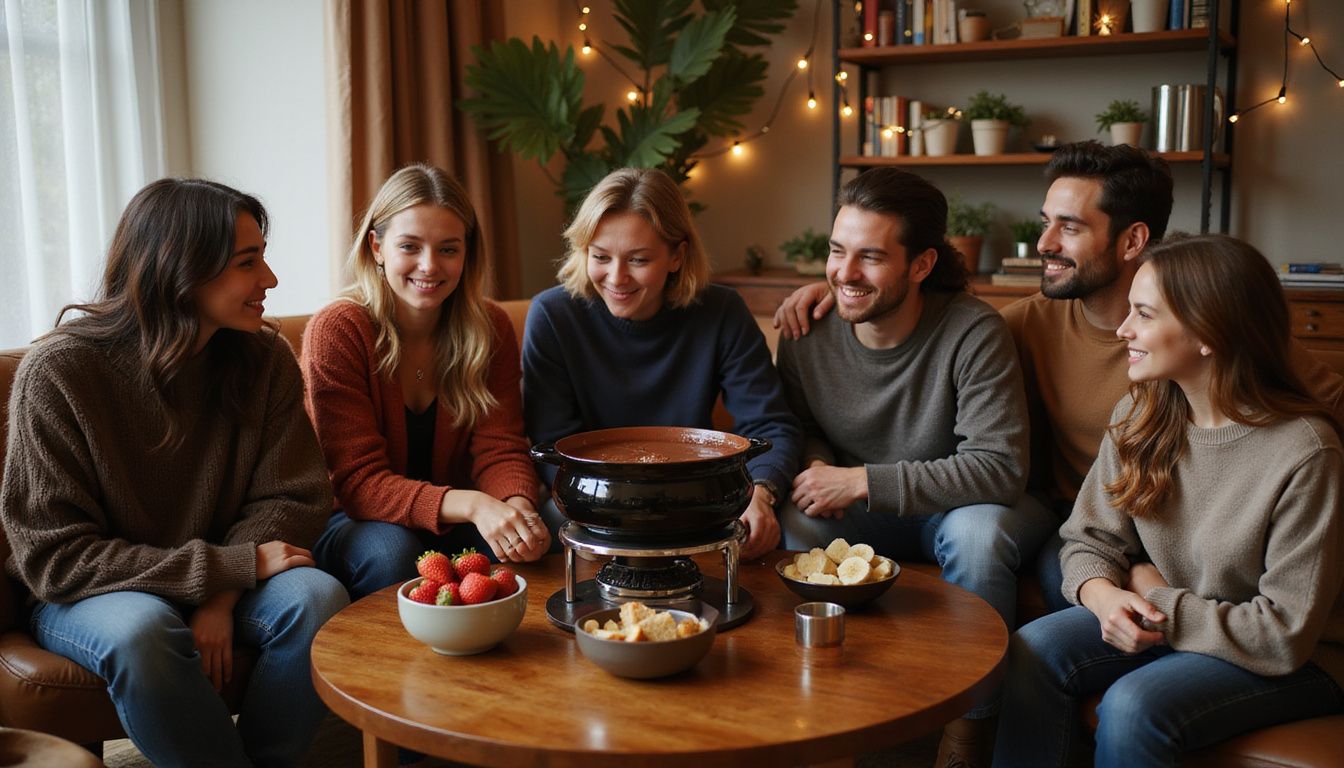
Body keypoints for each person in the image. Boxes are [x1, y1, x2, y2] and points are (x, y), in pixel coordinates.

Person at [772, 141, 1344, 614]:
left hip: (1190, 546)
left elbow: (1320, 415)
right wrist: (846, 287)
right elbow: (916, 311)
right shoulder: (1023, 323)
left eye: (1068, 228)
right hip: (1090, 535)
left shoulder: (1210, 327)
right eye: (1046, 223)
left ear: (1132, 241)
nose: (1044, 244)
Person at [0, 178, 348, 767]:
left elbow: (295, 496)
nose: (270, 280)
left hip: (223, 569)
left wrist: (220, 589)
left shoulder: (263, 360)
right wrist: (224, 568)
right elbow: (55, 559)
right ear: (181, 269)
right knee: (145, 631)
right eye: (248, 262)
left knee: (317, 597)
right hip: (91, 593)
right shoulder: (59, 373)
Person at [993, 234, 1344, 767]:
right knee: (1032, 650)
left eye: (1144, 314)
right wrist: (1103, 596)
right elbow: (1088, 538)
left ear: (1208, 331)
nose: (1122, 330)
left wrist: (1154, 597)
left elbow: (1283, 636)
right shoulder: (1141, 414)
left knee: (1135, 706)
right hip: (1181, 621)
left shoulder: (1305, 452)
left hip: (1297, 660)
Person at [774, 168, 1056, 766]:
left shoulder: (972, 331)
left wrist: (860, 481)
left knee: (976, 535)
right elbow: (803, 426)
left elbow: (999, 465)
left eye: (871, 257)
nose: (845, 273)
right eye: (836, 250)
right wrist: (820, 469)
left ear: (921, 265)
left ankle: (968, 733)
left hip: (970, 508)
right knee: (795, 526)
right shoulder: (807, 331)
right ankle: (826, 708)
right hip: (868, 513)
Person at [522, 167, 801, 560]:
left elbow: (770, 424)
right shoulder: (552, 315)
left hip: (695, 498)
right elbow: (553, 442)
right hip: (592, 500)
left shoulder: (721, 311)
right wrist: (611, 514)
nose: (616, 278)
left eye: (638, 259)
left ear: (677, 255)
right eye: (600, 257)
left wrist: (761, 492)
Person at [303, 164, 546, 601]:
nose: (429, 266)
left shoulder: (489, 326)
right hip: (353, 520)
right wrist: (476, 505)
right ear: (377, 247)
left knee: (540, 531)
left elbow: (501, 446)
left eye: (448, 249)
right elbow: (358, 484)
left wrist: (515, 508)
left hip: (455, 517)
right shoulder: (339, 329)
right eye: (409, 247)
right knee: (393, 552)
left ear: (467, 252)